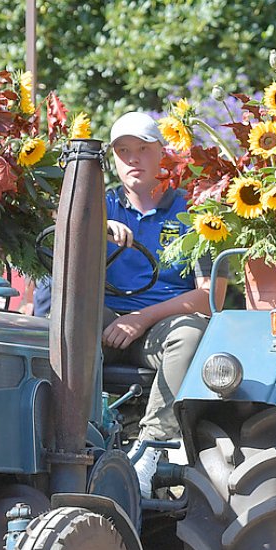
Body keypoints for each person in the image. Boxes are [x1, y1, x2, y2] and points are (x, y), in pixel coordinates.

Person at [101, 111, 225, 495]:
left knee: (191, 333)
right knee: (57, 325)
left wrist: (142, 318)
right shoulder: (98, 207)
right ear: (113, 159)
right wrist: (93, 229)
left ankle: (150, 449)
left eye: (142, 150)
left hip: (162, 326)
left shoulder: (195, 213)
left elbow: (211, 294)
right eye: (123, 151)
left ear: (161, 156)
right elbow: (55, 234)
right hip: (105, 320)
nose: (133, 159)